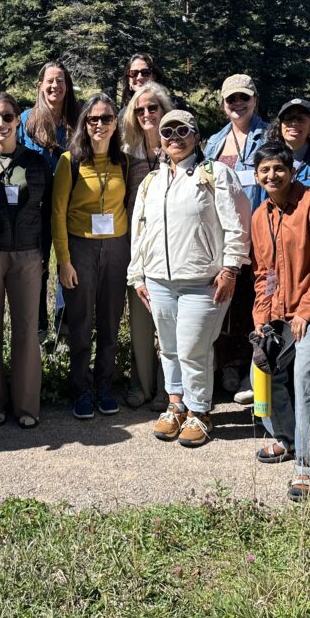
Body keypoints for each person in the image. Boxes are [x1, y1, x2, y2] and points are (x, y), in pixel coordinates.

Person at [128, 109, 251, 447]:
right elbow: (140, 229)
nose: (174, 138)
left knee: (193, 348)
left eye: (183, 131)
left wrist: (230, 268)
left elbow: (237, 224)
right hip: (158, 279)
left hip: (203, 280)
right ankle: (175, 405)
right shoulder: (152, 182)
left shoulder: (216, 175)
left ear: (197, 137)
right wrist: (137, 273)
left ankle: (200, 411)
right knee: (168, 347)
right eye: (167, 133)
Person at [250, 142, 310, 500]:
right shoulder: (261, 215)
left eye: (278, 168)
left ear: (292, 171)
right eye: (264, 170)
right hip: (280, 309)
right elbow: (264, 273)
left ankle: (308, 467)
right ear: (257, 175)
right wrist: (263, 317)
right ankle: (287, 439)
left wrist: (306, 311)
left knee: (306, 377)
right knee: (263, 368)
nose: (272, 176)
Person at [0, 92, 52, 429]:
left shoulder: (35, 162)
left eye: (7, 116)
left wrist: (46, 255)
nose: (1, 123)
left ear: (18, 119)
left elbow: (47, 212)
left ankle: (26, 405)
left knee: (26, 332)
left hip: (27, 255)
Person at [52, 93, 129, 419]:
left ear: (116, 123)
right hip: (80, 248)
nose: (100, 124)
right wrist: (64, 261)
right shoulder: (70, 160)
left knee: (110, 323)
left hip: (116, 247)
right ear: (84, 123)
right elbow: (57, 214)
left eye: (107, 118)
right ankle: (81, 390)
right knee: (81, 325)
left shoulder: (122, 162)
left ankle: (104, 388)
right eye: (93, 119)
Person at [202, 74, 269, 398]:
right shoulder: (215, 142)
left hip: (262, 234)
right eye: (231, 99)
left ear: (255, 99)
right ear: (223, 104)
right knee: (226, 303)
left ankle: (254, 372)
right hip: (226, 236)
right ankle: (229, 365)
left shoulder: (268, 136)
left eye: (244, 98)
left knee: (257, 303)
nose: (238, 104)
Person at [121, 81, 173, 411]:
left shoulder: (180, 147)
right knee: (140, 321)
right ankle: (142, 382)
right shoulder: (128, 153)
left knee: (168, 322)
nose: (146, 114)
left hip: (172, 248)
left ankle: (168, 388)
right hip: (137, 246)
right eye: (139, 110)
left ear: (164, 110)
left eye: (152, 108)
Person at [18, 61, 80, 340]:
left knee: (70, 266)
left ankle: (64, 328)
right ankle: (39, 331)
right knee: (38, 268)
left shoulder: (77, 121)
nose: (55, 86)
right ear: (40, 85)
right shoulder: (25, 120)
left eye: (61, 81)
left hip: (72, 207)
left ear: (67, 87)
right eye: (50, 81)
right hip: (36, 208)